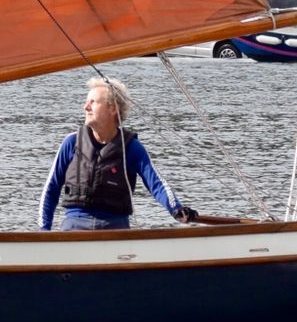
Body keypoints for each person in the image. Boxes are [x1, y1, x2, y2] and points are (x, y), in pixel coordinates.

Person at [40, 77, 198, 231]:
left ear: (113, 108)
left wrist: (177, 209)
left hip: (114, 230)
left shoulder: (132, 148)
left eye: (93, 102)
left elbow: (156, 183)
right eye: (86, 102)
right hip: (74, 228)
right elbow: (51, 189)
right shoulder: (71, 143)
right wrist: (44, 232)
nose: (86, 107)